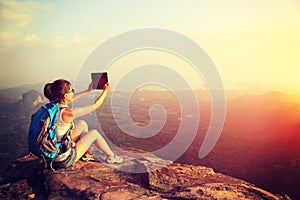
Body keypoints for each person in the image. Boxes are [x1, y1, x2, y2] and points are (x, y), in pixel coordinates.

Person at [43, 79, 123, 168]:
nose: (73, 93)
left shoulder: (52, 107)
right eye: (71, 91)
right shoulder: (68, 113)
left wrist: (87, 91)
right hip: (62, 160)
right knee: (94, 134)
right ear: (65, 96)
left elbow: (70, 99)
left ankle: (87, 154)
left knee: (82, 124)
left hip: (52, 153)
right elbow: (96, 105)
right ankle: (112, 157)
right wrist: (106, 91)